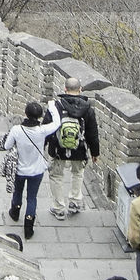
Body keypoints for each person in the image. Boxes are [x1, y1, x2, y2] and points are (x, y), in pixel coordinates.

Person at [3, 100, 60, 240]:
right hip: (36, 171)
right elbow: (57, 123)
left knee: (17, 192)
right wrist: (52, 106)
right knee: (32, 198)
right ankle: (28, 228)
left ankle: (15, 213)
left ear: (26, 114)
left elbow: (6, 145)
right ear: (40, 116)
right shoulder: (42, 131)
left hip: (20, 170)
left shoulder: (17, 129)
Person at [45, 77, 100, 219]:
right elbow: (92, 133)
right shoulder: (87, 108)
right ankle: (75, 202)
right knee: (77, 173)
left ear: (65, 89)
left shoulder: (56, 106)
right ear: (80, 89)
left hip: (58, 148)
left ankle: (58, 208)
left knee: (56, 175)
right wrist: (95, 152)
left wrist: (42, 146)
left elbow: (46, 127)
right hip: (79, 148)